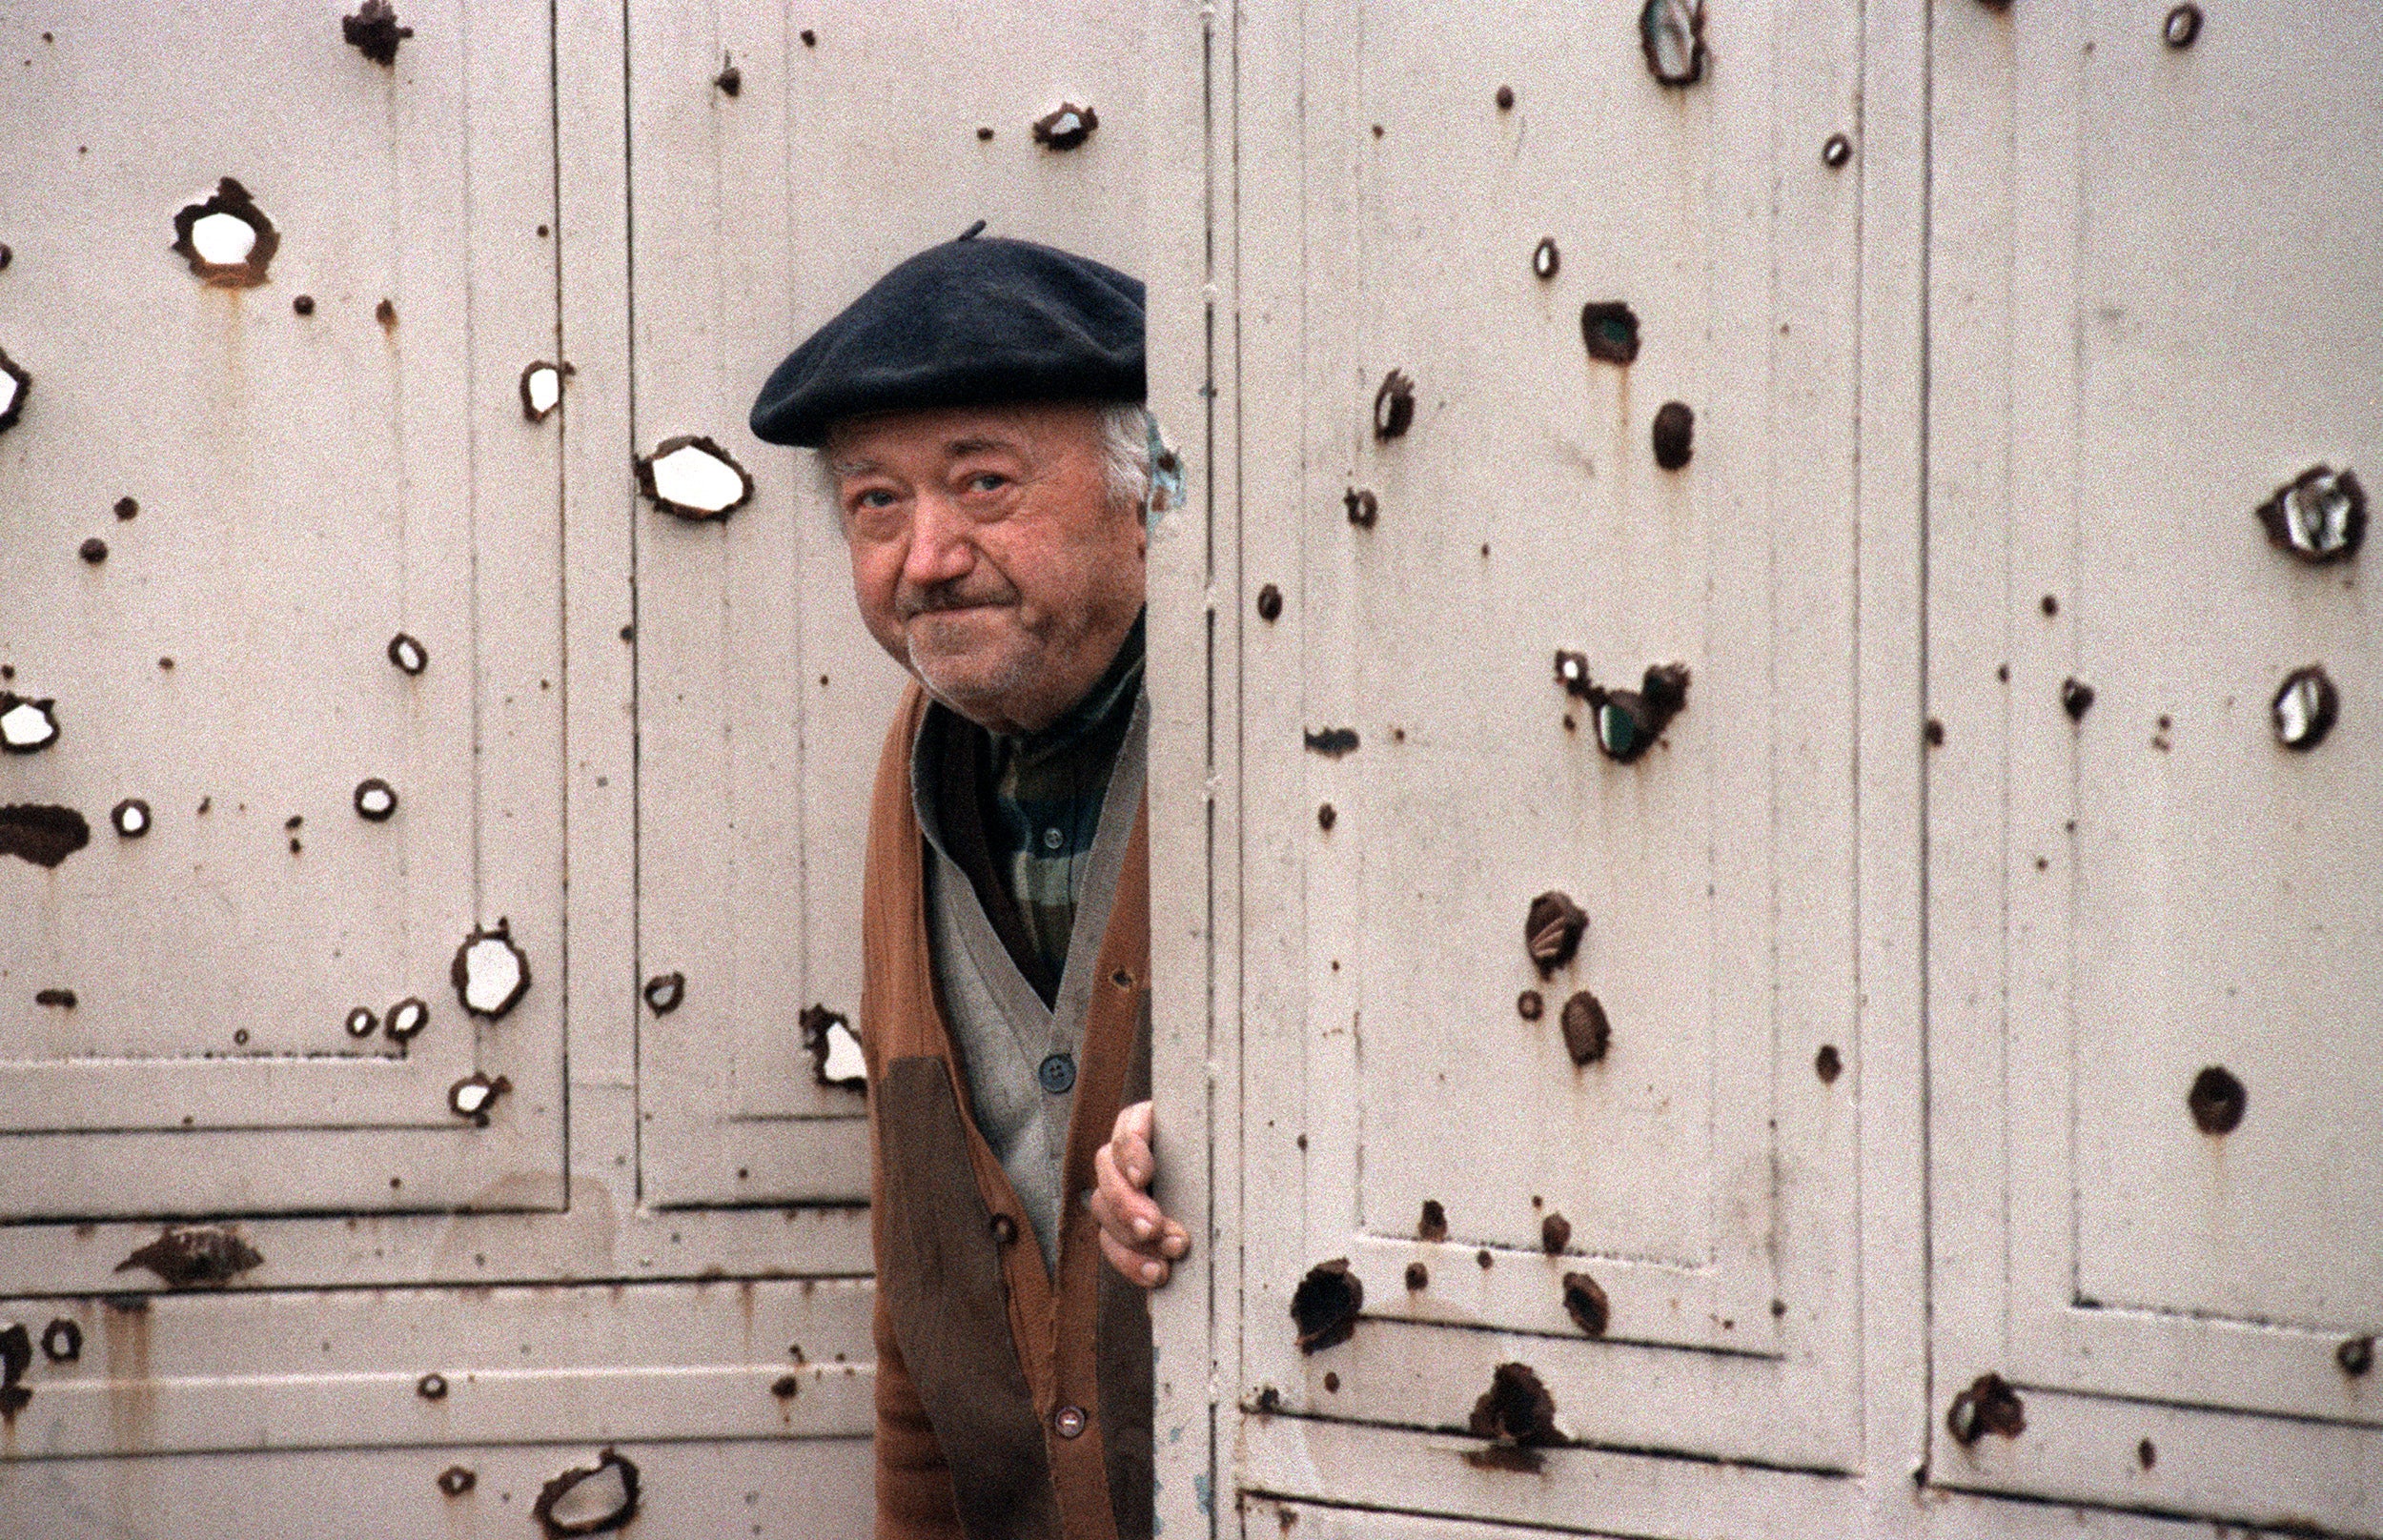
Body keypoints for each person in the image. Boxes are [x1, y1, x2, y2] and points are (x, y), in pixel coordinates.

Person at [749, 226, 1190, 1540]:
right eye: (877, 503)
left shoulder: (1284, 745)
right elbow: (925, 1280)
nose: (925, 556)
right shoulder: (922, 753)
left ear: (1148, 492)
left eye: (984, 484)